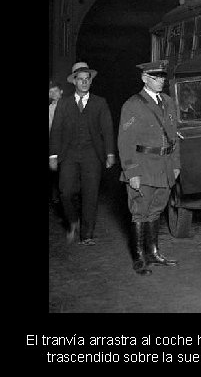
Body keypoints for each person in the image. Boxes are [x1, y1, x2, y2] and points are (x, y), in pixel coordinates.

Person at [118, 60, 180, 276]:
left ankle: (153, 252)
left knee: (156, 209)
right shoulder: (133, 105)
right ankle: (139, 257)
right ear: (144, 78)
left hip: (164, 167)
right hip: (143, 167)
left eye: (162, 77)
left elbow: (174, 136)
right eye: (156, 77)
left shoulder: (169, 102)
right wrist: (131, 172)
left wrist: (176, 165)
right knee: (139, 212)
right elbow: (125, 142)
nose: (161, 81)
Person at [49, 63, 116, 245]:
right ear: (74, 82)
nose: (85, 82)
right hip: (69, 154)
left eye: (88, 79)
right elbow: (55, 130)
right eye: (81, 79)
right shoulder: (63, 104)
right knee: (65, 191)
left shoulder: (100, 103)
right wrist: (53, 155)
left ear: (90, 82)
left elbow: (107, 129)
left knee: (90, 193)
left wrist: (110, 153)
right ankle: (72, 220)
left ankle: (87, 235)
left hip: (92, 155)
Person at [49, 80, 64, 205]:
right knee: (55, 173)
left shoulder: (70, 105)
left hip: (68, 146)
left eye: (55, 90)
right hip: (54, 146)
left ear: (62, 92)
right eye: (50, 91)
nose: (53, 93)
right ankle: (56, 199)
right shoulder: (50, 109)